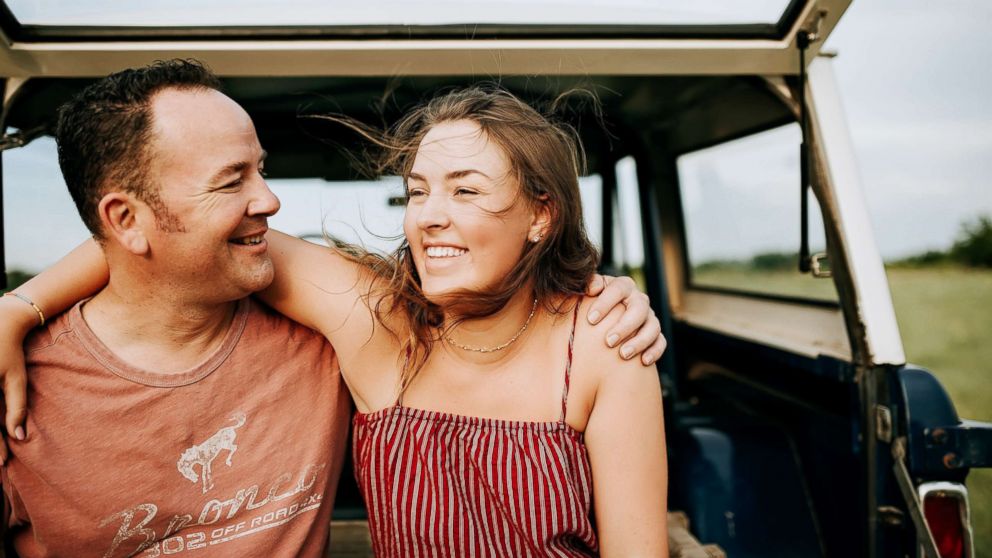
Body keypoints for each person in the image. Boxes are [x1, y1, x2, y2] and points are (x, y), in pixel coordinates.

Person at [0, 61, 663, 556]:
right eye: (418, 192)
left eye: (466, 190)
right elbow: (170, 243)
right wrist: (17, 309)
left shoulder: (604, 345)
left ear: (542, 214)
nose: (431, 217)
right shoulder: (379, 330)